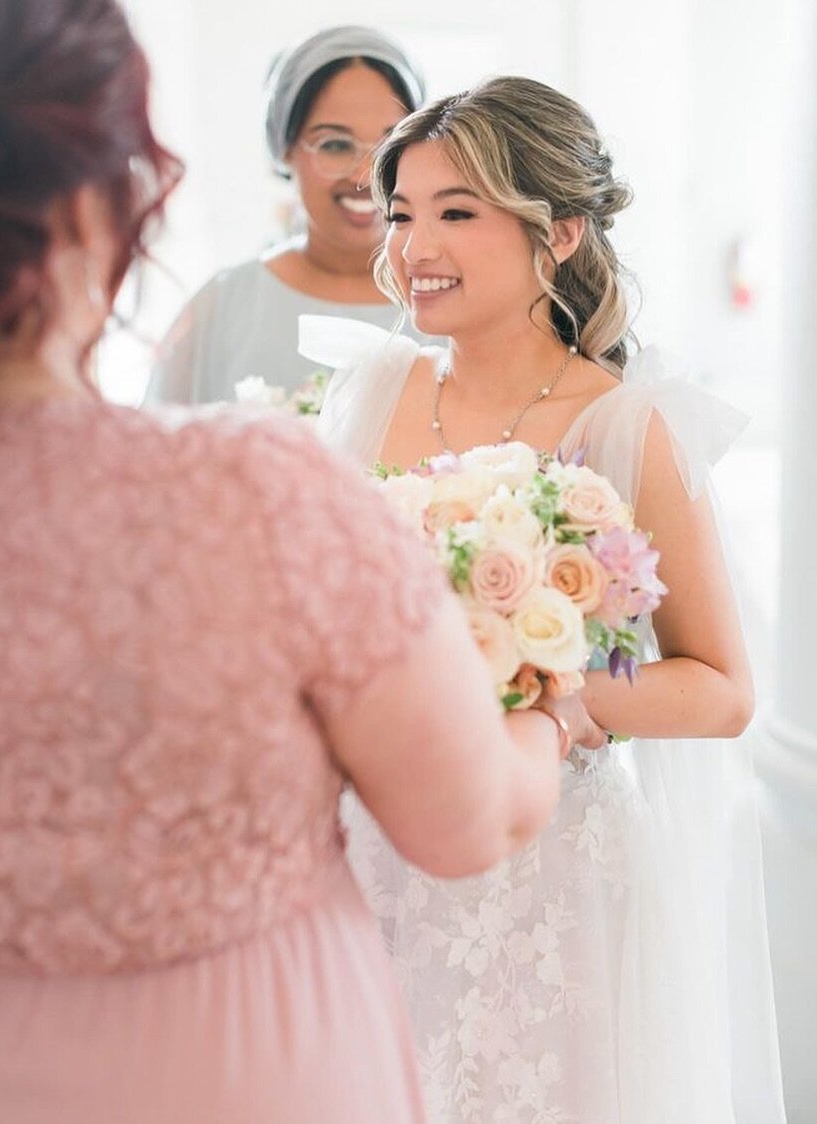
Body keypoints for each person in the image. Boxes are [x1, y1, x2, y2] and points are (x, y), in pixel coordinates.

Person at [0, 10, 599, 1123]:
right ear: (96, 208)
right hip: (237, 1075)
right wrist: (551, 709)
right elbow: (463, 819)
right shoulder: (256, 490)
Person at [304, 77, 787, 1123]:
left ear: (558, 230)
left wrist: (545, 692)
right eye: (400, 213)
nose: (410, 245)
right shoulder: (370, 390)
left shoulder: (627, 423)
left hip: (548, 878)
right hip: (377, 847)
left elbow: (719, 689)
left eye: (455, 212)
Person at [147, 24, 429, 405]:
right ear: (284, 149)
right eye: (335, 145)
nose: (365, 175)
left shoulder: (458, 302)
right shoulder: (221, 308)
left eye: (390, 144)